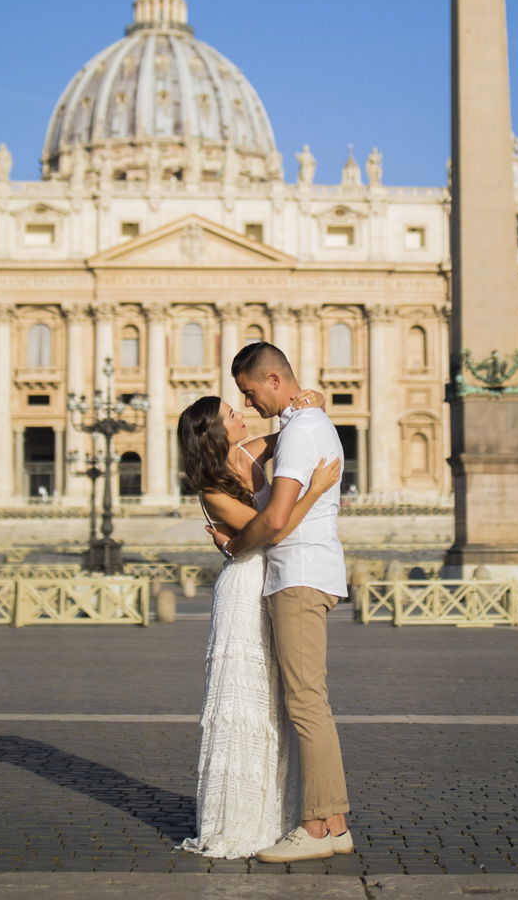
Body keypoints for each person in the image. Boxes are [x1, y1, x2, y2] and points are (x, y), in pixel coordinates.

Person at [176, 390, 341, 858]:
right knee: (245, 702)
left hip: (270, 578)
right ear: (213, 432)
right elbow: (272, 527)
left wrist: (311, 403)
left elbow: (291, 434)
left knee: (271, 703)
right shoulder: (212, 490)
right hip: (244, 592)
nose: (243, 412)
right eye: (232, 413)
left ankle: (270, 813)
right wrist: (316, 490)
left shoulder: (249, 452)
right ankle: (238, 818)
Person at [210, 341, 355, 862]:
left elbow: (273, 523)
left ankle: (316, 829)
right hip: (300, 573)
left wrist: (232, 548)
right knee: (308, 700)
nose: (247, 406)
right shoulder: (303, 426)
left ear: (273, 380)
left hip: (297, 574)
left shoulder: (300, 433)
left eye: (248, 393)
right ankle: (333, 822)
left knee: (306, 704)